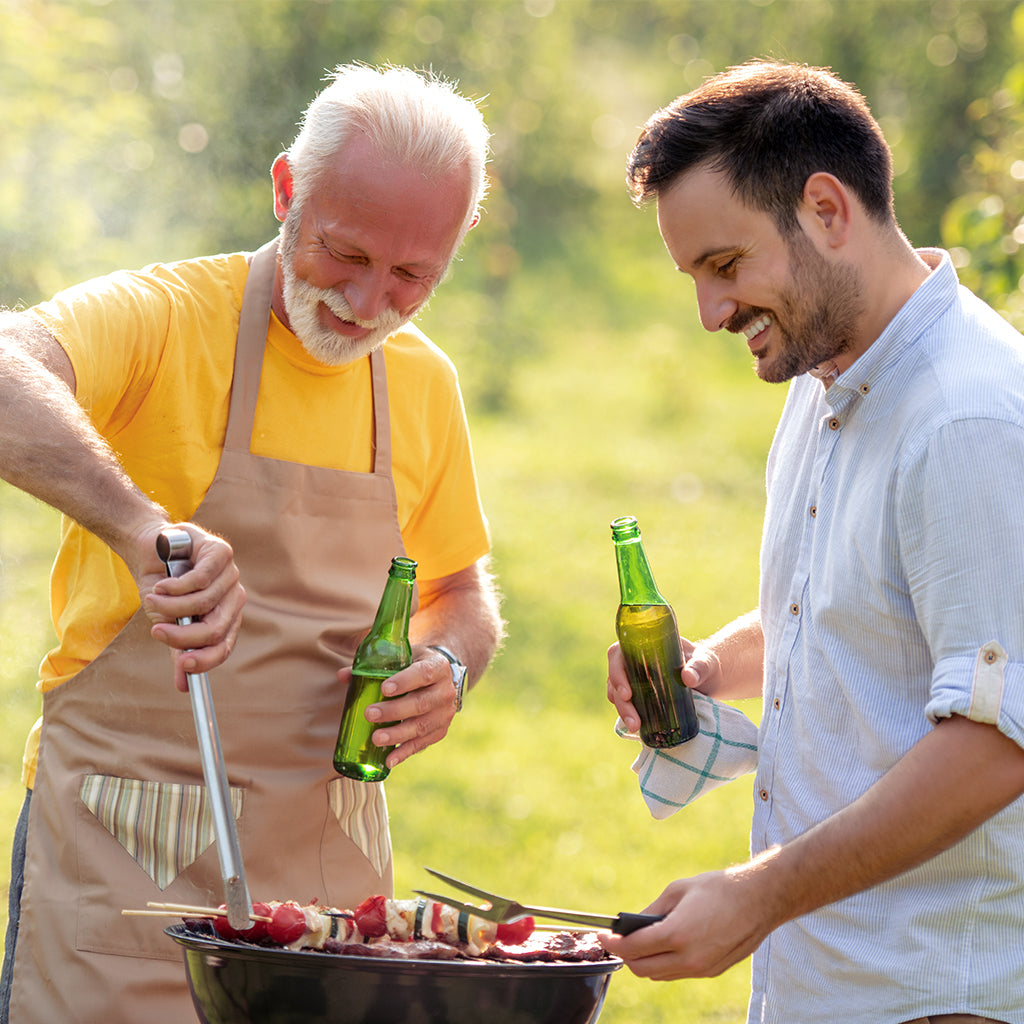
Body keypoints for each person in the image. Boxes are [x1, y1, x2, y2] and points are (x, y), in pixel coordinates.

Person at [0, 63, 503, 1024]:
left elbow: (461, 592)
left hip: (328, 881)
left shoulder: (424, 384)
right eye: (343, 253)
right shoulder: (167, 317)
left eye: (413, 276)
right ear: (285, 190)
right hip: (122, 866)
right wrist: (140, 526)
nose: (368, 301)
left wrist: (448, 665)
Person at [602, 60, 1024, 1024]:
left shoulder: (967, 420)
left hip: (936, 999)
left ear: (827, 211)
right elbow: (841, 606)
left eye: (725, 266)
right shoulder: (827, 370)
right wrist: (710, 667)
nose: (711, 313)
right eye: (696, 278)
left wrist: (758, 895)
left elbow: (998, 740)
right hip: (827, 985)